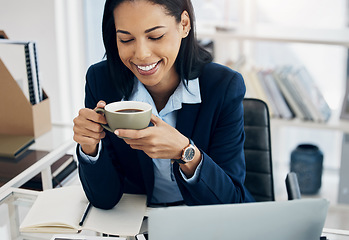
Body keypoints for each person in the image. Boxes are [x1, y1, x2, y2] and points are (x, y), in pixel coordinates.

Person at [73, 0, 254, 209]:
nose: (141, 54)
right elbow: (104, 199)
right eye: (126, 39)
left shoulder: (223, 87)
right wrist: (89, 147)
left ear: (184, 24)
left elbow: (231, 203)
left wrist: (185, 152)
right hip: (140, 222)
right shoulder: (101, 81)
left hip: (202, 221)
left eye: (155, 36)